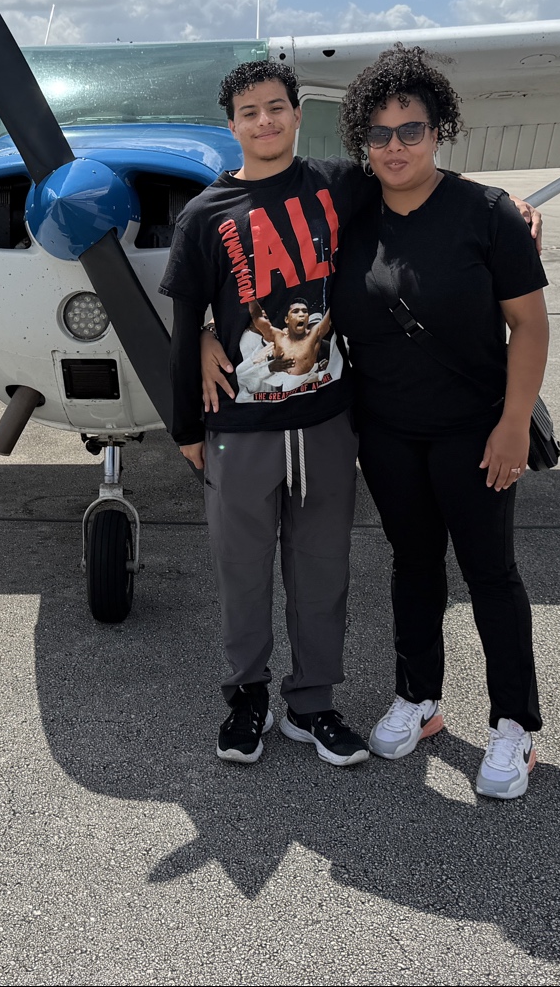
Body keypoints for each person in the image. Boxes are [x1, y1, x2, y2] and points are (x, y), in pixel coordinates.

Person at [198, 46, 551, 800]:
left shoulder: (487, 214)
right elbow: (254, 270)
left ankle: (513, 725)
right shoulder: (348, 217)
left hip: (476, 428)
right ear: (361, 139)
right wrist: (202, 328)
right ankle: (418, 697)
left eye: (412, 130)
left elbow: (529, 325)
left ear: (439, 131)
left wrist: (514, 421)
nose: (396, 146)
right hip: (386, 430)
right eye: (381, 133)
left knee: (489, 573)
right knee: (413, 565)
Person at [161, 60, 376, 768]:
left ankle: (311, 703)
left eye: (276, 107)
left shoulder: (339, 184)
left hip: (325, 422)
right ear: (232, 125)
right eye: (249, 111)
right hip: (239, 430)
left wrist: (505, 203)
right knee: (240, 570)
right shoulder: (203, 215)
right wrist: (186, 428)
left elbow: (420, 187)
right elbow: (186, 318)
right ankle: (245, 695)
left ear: (294, 114)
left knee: (322, 569)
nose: (264, 121)